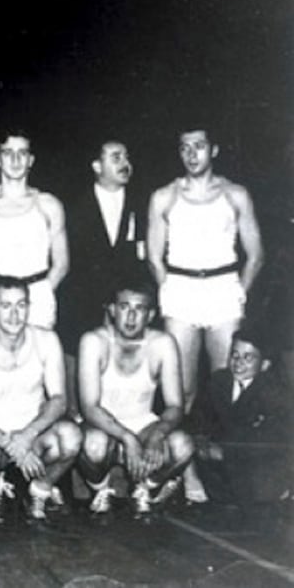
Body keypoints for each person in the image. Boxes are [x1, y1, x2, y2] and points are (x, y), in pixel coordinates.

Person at [147, 126, 264, 503]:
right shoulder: (164, 196)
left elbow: (256, 254)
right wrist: (171, 289)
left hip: (223, 289)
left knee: (226, 382)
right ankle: (187, 473)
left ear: (213, 149)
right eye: (184, 147)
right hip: (181, 289)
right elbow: (152, 255)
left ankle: (230, 474)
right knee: (179, 389)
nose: (191, 153)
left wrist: (236, 293)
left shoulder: (235, 195)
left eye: (198, 146)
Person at [0, 278, 81, 525]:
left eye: (21, 305)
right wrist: (11, 444)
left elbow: (58, 400)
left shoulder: (46, 340)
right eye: (5, 306)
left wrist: (27, 435)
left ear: (29, 307)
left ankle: (39, 490)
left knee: (71, 436)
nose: (14, 315)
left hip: (32, 436)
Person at [77, 277, 194, 518]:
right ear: (111, 310)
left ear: (150, 315)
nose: (131, 317)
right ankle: (102, 489)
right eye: (124, 307)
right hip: (104, 427)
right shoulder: (94, 341)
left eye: (139, 309)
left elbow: (175, 405)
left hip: (143, 424)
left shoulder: (162, 343)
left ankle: (145, 489)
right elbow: (89, 408)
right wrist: (127, 439)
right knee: (93, 445)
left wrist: (157, 434)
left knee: (182, 446)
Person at [60, 140, 149, 417]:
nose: (125, 163)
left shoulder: (141, 202)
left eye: (127, 156)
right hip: (80, 301)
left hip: (123, 305)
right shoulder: (73, 204)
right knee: (77, 363)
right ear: (97, 166)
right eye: (116, 157)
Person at [0, 130, 69, 330]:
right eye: (8, 153)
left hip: (36, 300)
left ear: (31, 160)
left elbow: (61, 264)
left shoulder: (48, 205)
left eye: (22, 153)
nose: (15, 159)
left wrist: (41, 293)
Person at [189, 327, 292, 504]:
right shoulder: (218, 381)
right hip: (219, 466)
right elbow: (199, 416)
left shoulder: (274, 392)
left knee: (262, 480)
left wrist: (226, 453)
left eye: (248, 357)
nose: (238, 362)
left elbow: (273, 439)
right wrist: (201, 440)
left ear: (264, 365)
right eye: (234, 355)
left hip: (254, 464)